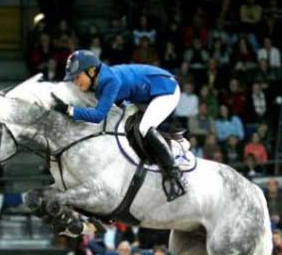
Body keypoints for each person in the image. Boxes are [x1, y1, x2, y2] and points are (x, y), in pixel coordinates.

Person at [51, 50, 186, 201]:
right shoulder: (97, 80)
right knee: (122, 125)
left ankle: (174, 173)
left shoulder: (109, 80)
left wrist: (70, 110)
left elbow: (97, 116)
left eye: (77, 77)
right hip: (144, 95)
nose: (76, 82)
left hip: (165, 90)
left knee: (144, 127)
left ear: (91, 71)